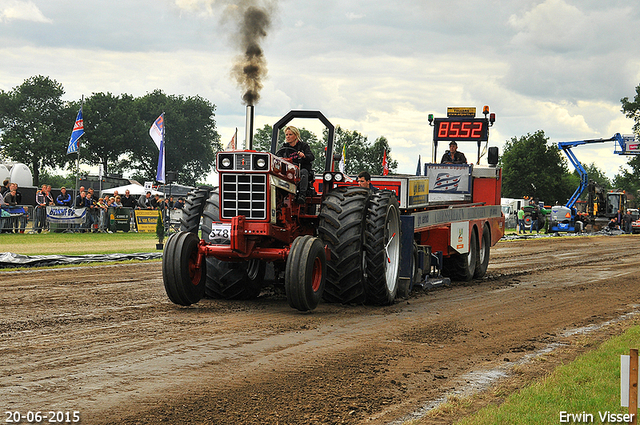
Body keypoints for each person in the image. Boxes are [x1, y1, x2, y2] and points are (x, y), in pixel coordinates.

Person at [276, 125, 315, 204]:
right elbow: (277, 157)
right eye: (286, 135)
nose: (288, 137)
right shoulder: (284, 147)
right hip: (289, 171)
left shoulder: (304, 146)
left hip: (301, 169)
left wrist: (304, 156)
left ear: (296, 136)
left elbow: (311, 157)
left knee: (303, 172)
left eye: (290, 135)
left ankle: (302, 195)